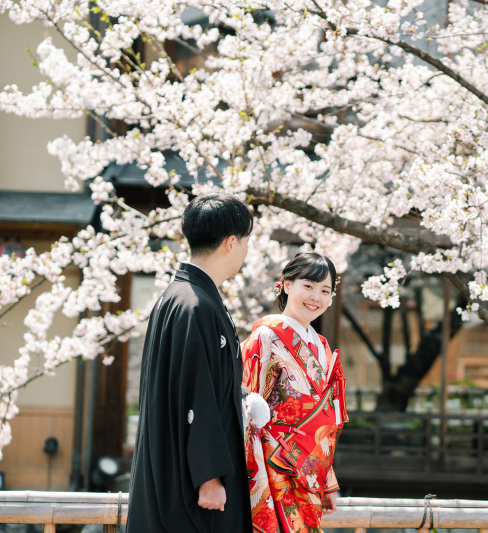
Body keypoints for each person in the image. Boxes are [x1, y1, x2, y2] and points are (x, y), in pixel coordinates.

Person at [127, 194, 254, 533]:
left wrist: (241, 397)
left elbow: (201, 380)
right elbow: (196, 391)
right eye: (246, 242)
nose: (246, 251)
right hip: (194, 489)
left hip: (177, 469)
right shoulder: (195, 304)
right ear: (231, 243)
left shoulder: (179, 296)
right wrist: (208, 476)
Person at [241, 252, 348, 533]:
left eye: (326, 290)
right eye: (308, 286)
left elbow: (322, 421)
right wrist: (253, 479)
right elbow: (246, 413)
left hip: (311, 468)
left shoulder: (322, 346)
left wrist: (326, 481)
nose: (316, 297)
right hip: (273, 466)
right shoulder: (265, 337)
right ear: (287, 285)